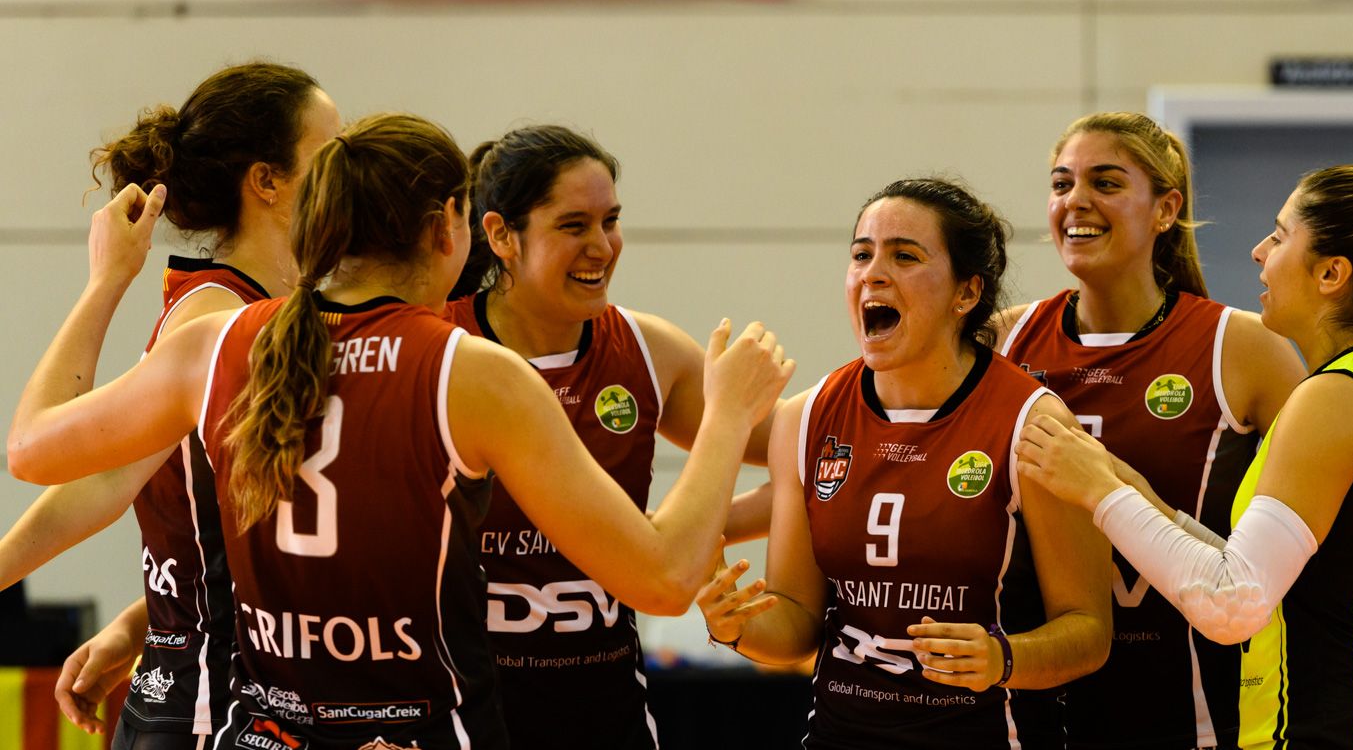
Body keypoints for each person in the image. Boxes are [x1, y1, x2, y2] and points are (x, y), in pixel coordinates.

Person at [8, 113, 794, 750]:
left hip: (270, 731)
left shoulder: (221, 343)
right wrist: (726, 413)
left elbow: (32, 447)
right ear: (451, 227)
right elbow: (659, 578)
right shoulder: (469, 370)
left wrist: (108, 279)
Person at [1018, 163, 1353, 750]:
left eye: (1281, 235)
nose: (1260, 251)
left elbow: (1231, 605)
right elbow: (1278, 588)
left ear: (1332, 274)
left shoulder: (1335, 396)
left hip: (1331, 730)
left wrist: (1100, 494)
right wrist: (1124, 482)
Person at [698, 177, 1112, 749]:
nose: (873, 272)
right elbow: (795, 624)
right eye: (861, 255)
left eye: (904, 256)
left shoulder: (1030, 423)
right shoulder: (806, 418)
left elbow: (1089, 632)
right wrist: (736, 626)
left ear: (966, 295)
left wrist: (1003, 657)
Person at [0, 62, 341, 747]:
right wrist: (106, 282)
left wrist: (139, 619)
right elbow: (97, 475)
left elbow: (236, 538)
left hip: (229, 686)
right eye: (330, 153)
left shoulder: (285, 311)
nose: (349, 171)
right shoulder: (215, 313)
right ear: (267, 181)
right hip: (212, 711)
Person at [444, 124, 774, 749]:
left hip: (602, 715)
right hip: (462, 717)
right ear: (500, 236)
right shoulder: (441, 351)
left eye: (611, 220)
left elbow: (826, 452)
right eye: (574, 226)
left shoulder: (647, 350)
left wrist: (696, 527)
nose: (603, 246)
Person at [994, 112, 1304, 750]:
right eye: (1061, 184)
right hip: (1032, 707)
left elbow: (1332, 506)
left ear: (1166, 209)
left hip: (1195, 712)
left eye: (1105, 183)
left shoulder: (1241, 345)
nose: (1075, 201)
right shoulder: (1002, 340)